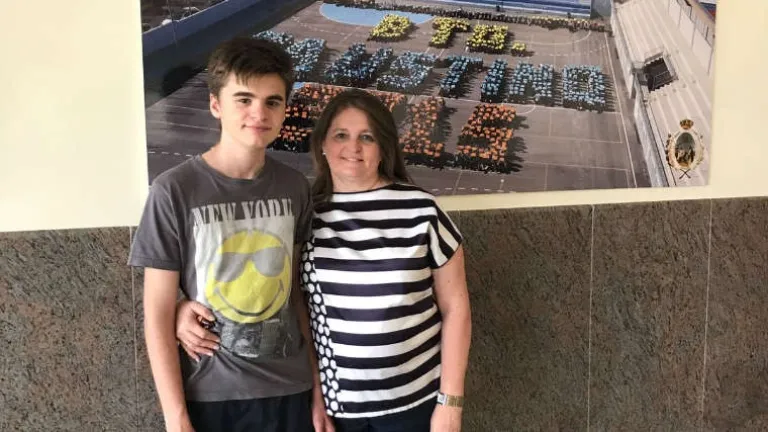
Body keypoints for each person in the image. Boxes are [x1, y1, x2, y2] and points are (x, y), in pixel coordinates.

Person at [176, 88, 472, 431]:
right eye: (341, 135)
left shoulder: (421, 210)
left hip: (418, 404)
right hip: (334, 410)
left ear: (383, 147)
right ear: (322, 145)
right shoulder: (303, 212)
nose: (353, 147)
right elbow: (262, 283)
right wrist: (182, 307)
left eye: (367, 137)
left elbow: (457, 309)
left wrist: (450, 404)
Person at [128, 36, 326, 432]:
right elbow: (157, 313)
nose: (259, 113)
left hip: (291, 391)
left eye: (273, 101)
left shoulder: (294, 187)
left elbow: (295, 295)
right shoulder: (174, 191)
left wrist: (317, 392)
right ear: (216, 105)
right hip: (212, 396)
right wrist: (176, 418)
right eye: (244, 99)